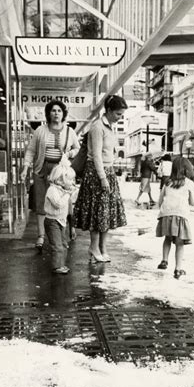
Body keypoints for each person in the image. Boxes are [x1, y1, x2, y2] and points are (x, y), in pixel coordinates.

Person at [73, 94, 127, 262]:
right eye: (118, 114)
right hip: (97, 173)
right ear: (109, 111)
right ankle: (93, 247)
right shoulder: (97, 127)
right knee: (97, 212)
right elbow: (96, 155)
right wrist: (103, 178)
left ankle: (102, 247)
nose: (120, 117)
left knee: (106, 213)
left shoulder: (109, 127)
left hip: (107, 172)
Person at [21, 100, 79, 251]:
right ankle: (40, 236)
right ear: (48, 114)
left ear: (63, 114)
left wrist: (70, 153)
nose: (56, 113)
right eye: (53, 111)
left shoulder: (69, 132)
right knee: (41, 203)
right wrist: (25, 168)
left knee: (62, 203)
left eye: (59, 111)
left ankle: (62, 235)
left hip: (61, 173)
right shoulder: (40, 130)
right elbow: (31, 151)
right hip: (42, 169)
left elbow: (77, 149)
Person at [156, 156, 194, 279]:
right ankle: (178, 269)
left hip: (166, 214)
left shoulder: (167, 182)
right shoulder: (189, 183)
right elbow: (193, 202)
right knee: (179, 243)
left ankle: (164, 260)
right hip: (180, 215)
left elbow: (160, 201)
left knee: (168, 239)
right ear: (187, 169)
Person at [43, 155, 77, 275]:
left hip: (61, 221)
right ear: (60, 180)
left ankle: (61, 264)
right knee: (57, 245)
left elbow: (69, 207)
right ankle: (57, 266)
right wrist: (68, 194)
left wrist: (72, 193)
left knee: (63, 244)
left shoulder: (62, 190)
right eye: (71, 180)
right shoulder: (52, 190)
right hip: (52, 221)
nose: (73, 182)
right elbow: (58, 204)